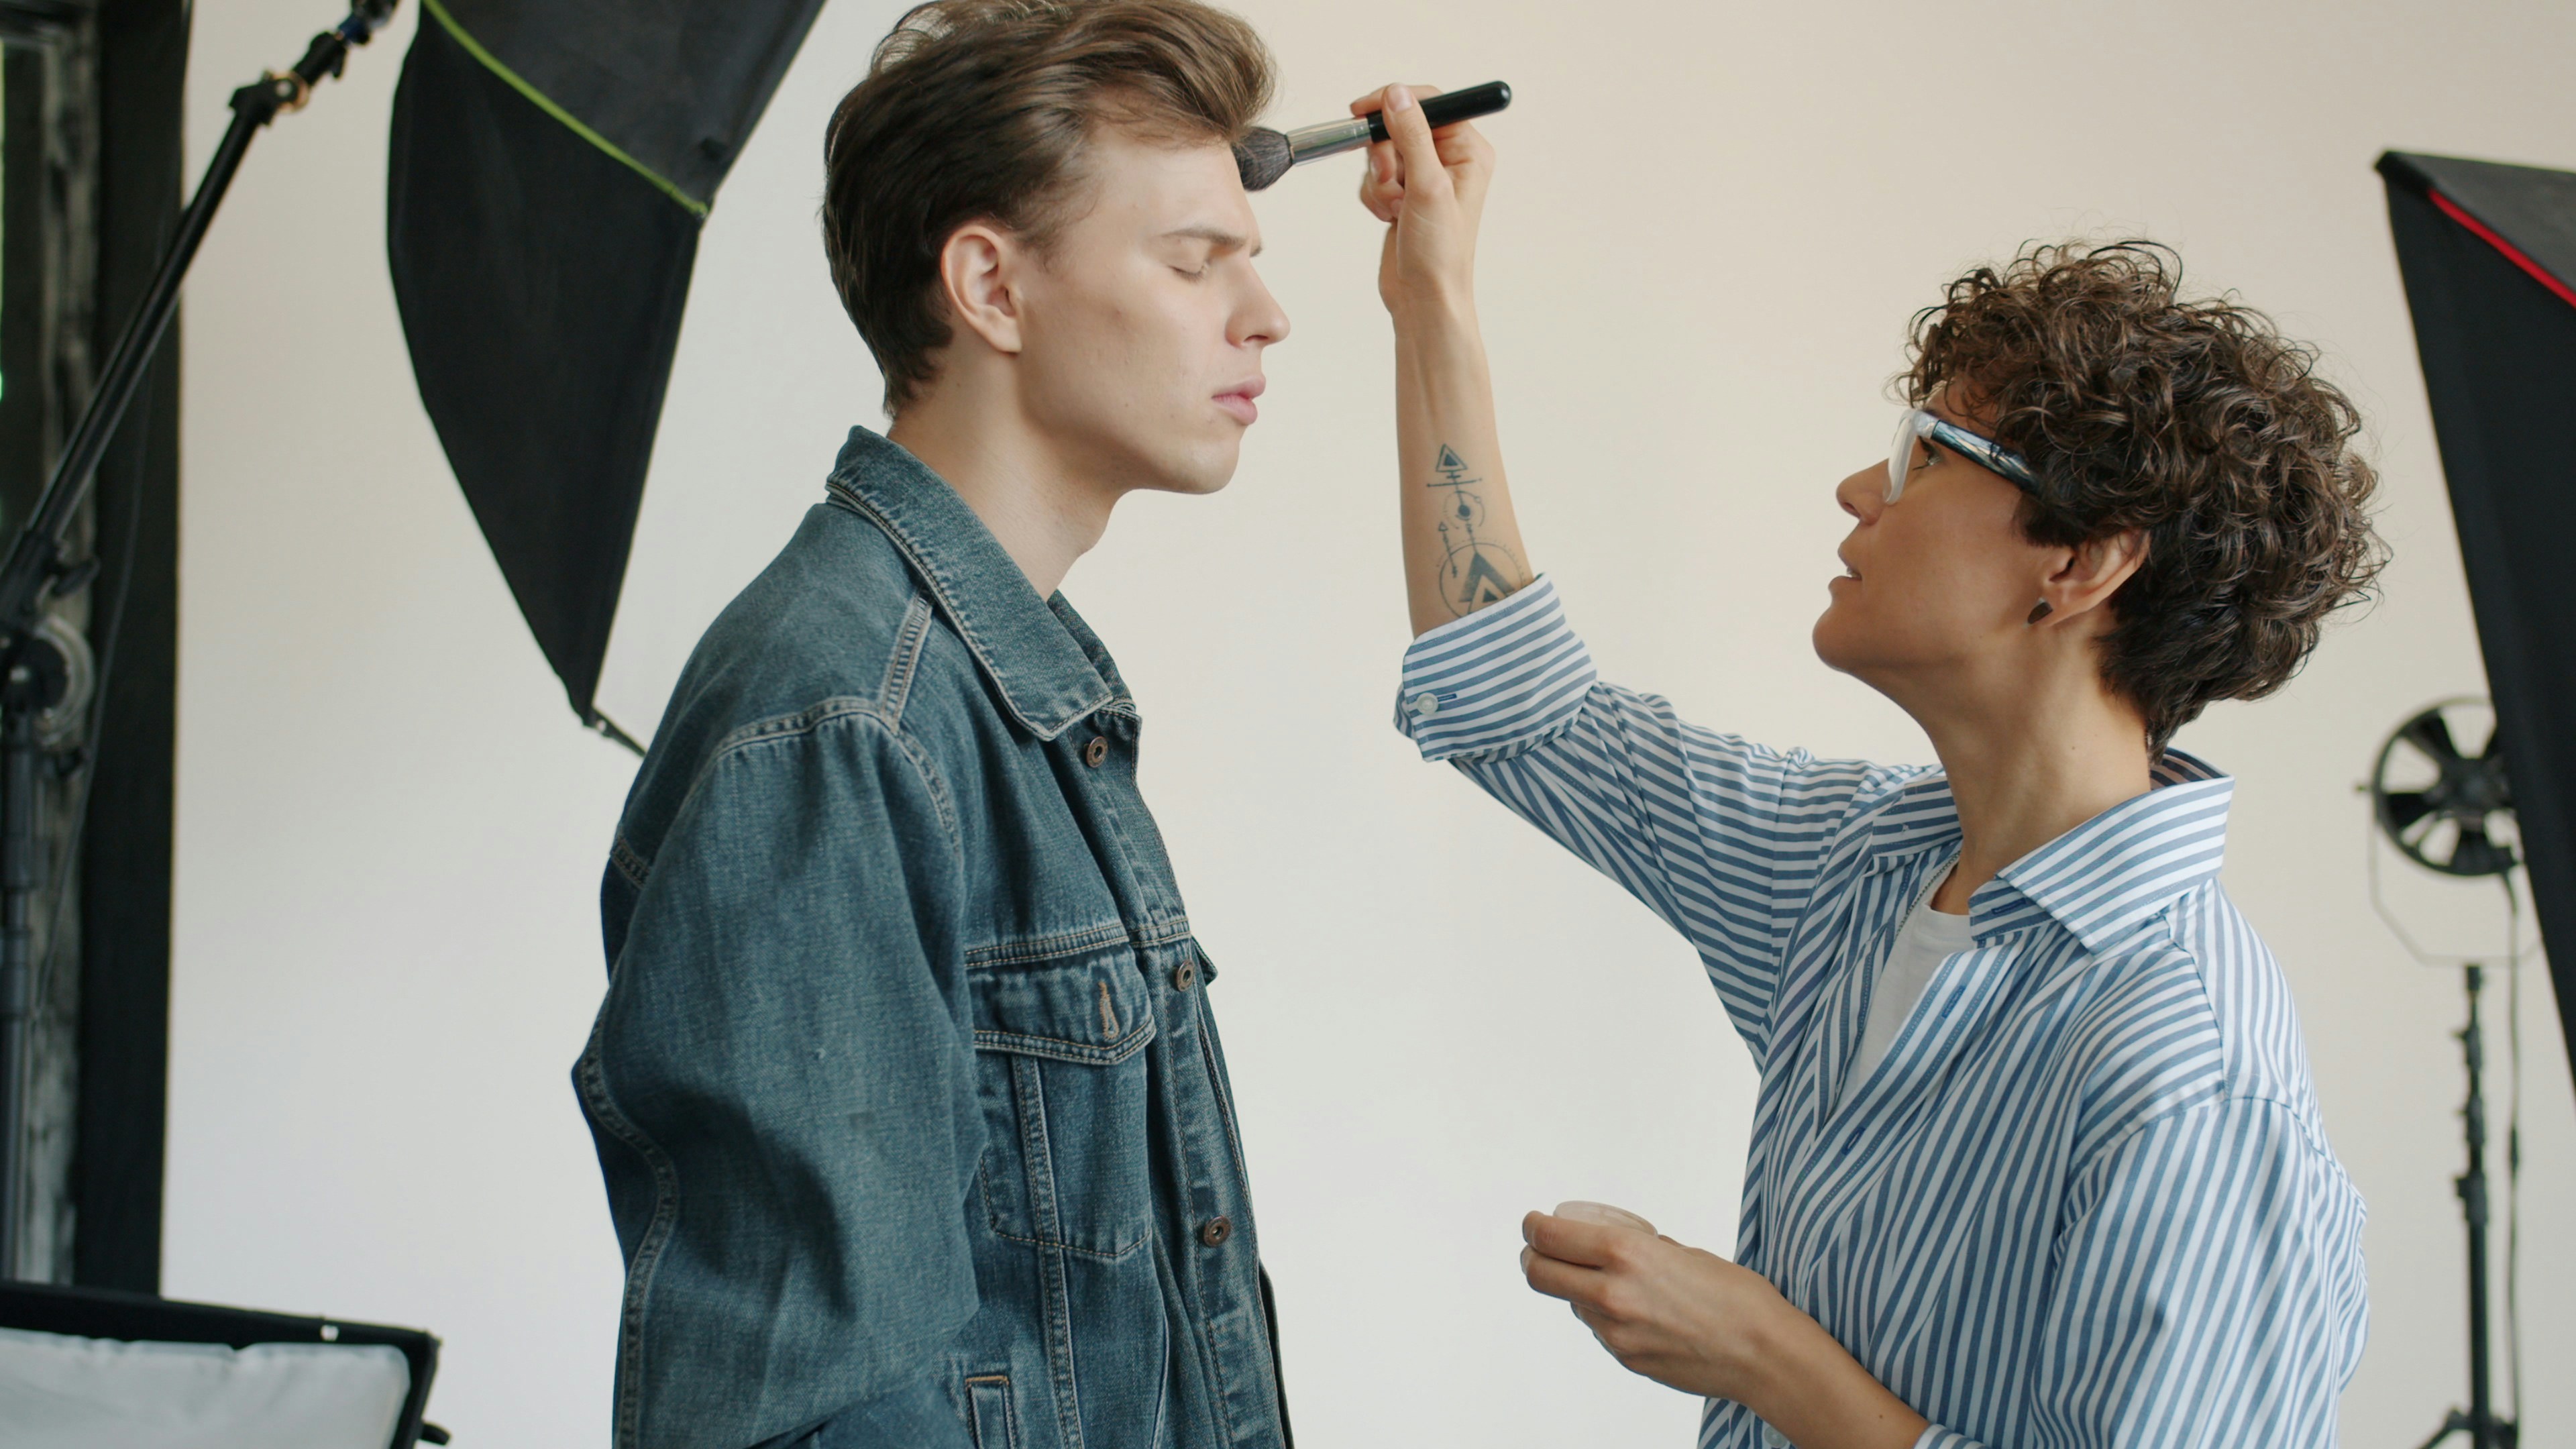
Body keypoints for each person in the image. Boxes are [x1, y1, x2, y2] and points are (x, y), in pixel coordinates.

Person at [1353, 85, 2381, 1448]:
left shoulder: (2187, 1066)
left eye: (1926, 454)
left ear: (2078, 562)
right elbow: (1524, 710)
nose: (1860, 489)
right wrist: (1434, 291)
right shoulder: (1852, 869)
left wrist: (1765, 1356)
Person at [573, 5, 1293, 1446]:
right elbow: (814, 1404)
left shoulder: (1014, 688)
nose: (1264, 315)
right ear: (991, 286)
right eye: (1193, 261)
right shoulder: (840, 720)